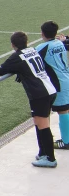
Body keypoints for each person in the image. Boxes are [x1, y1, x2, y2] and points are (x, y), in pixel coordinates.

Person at [0, 32, 58, 167]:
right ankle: (43, 152)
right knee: (38, 121)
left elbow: (0, 70)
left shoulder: (17, 57)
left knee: (43, 124)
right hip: (48, 89)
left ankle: (50, 158)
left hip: (39, 94)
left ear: (13, 45)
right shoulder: (33, 50)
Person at [36, 21, 69, 150]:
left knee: (62, 110)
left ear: (42, 33)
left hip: (57, 83)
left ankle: (66, 141)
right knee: (64, 109)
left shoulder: (41, 47)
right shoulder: (59, 43)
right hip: (65, 78)